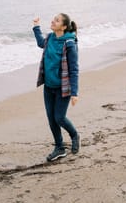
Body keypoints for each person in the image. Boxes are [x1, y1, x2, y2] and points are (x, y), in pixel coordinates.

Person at [33, 13, 80, 162]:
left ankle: (74, 135)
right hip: (48, 87)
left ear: (64, 27)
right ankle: (59, 148)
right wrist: (36, 27)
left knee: (59, 117)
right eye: (53, 19)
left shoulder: (70, 43)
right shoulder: (50, 38)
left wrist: (74, 92)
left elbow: (73, 69)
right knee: (51, 119)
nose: (53, 21)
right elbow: (41, 43)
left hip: (62, 88)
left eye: (57, 20)